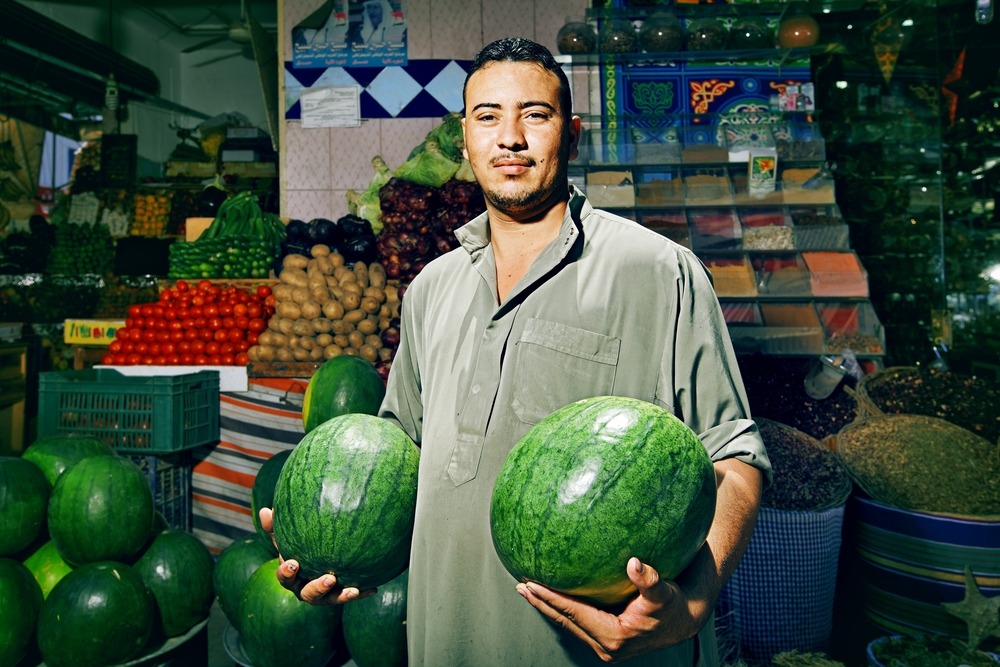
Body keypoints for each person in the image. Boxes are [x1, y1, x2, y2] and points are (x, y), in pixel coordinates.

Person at [261, 36, 771, 666]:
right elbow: (403, 458)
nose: (510, 138)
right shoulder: (430, 289)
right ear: (465, 138)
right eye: (487, 117)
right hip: (441, 643)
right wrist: (335, 553)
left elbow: (735, 457)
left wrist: (691, 604)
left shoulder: (657, 271)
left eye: (535, 114)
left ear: (572, 134)